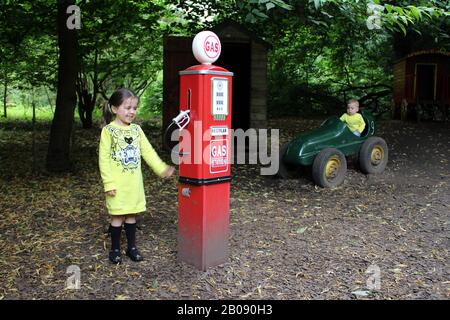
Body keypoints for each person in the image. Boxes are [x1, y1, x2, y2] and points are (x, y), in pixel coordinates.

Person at [99, 88, 175, 264]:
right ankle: (115, 249)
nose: (132, 111)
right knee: (117, 216)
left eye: (134, 108)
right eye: (127, 107)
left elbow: (147, 151)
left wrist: (161, 168)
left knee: (132, 215)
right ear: (114, 109)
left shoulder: (137, 130)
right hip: (117, 185)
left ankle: (132, 248)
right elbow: (103, 160)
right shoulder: (108, 131)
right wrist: (108, 183)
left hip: (133, 183)